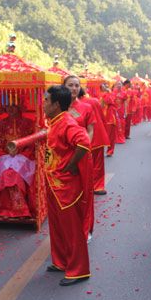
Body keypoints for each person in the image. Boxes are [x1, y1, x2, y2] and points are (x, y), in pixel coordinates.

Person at [43, 85, 91, 286]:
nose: (43, 103)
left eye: (46, 100)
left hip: (66, 187)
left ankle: (79, 270)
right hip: (54, 184)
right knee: (57, 227)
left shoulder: (66, 123)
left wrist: (71, 166)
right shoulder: (54, 122)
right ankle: (62, 261)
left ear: (55, 105)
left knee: (71, 230)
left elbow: (84, 142)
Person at [63, 76, 95, 242]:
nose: (74, 89)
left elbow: (90, 131)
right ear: (64, 87)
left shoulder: (86, 108)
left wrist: (83, 147)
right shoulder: (58, 107)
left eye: (76, 85)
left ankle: (86, 229)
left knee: (85, 193)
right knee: (65, 194)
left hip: (81, 154)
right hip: (62, 156)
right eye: (70, 85)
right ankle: (68, 230)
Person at [0, 104, 36, 218]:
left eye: (14, 106)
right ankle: (6, 209)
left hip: (24, 158)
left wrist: (21, 155)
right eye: (8, 106)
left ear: (19, 107)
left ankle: (21, 210)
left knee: (16, 175)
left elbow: (32, 146)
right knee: (6, 174)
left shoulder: (29, 124)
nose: (10, 109)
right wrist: (6, 155)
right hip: (4, 158)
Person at [78, 88, 110, 195]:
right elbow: (102, 117)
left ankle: (85, 186)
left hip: (80, 138)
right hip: (96, 135)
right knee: (97, 164)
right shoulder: (94, 101)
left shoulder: (70, 105)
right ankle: (98, 186)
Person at [100, 83, 118, 157]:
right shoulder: (100, 95)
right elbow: (100, 106)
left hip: (110, 116)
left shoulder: (112, 94)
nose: (106, 87)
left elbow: (113, 102)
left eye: (107, 86)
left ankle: (110, 151)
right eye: (104, 86)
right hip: (103, 117)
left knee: (111, 136)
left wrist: (109, 93)